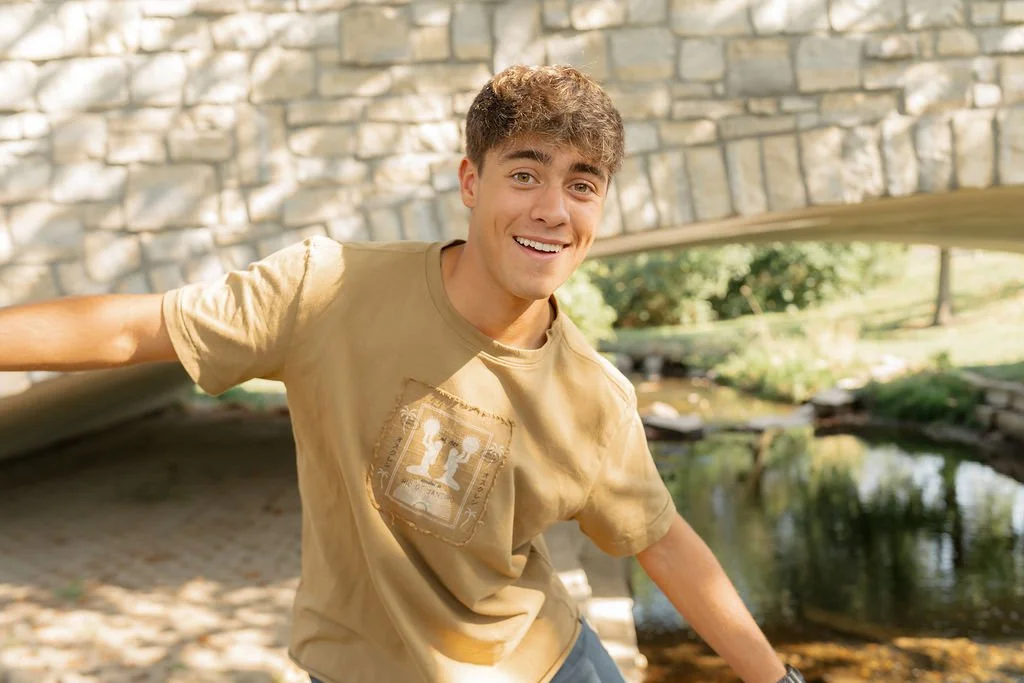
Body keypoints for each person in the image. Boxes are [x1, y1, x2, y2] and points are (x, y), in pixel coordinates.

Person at [0, 65, 804, 683]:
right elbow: (130, 331)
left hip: (544, 662)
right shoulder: (327, 289)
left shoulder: (593, 395)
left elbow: (662, 542)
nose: (554, 209)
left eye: (582, 184)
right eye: (525, 173)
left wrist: (778, 677)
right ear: (470, 181)